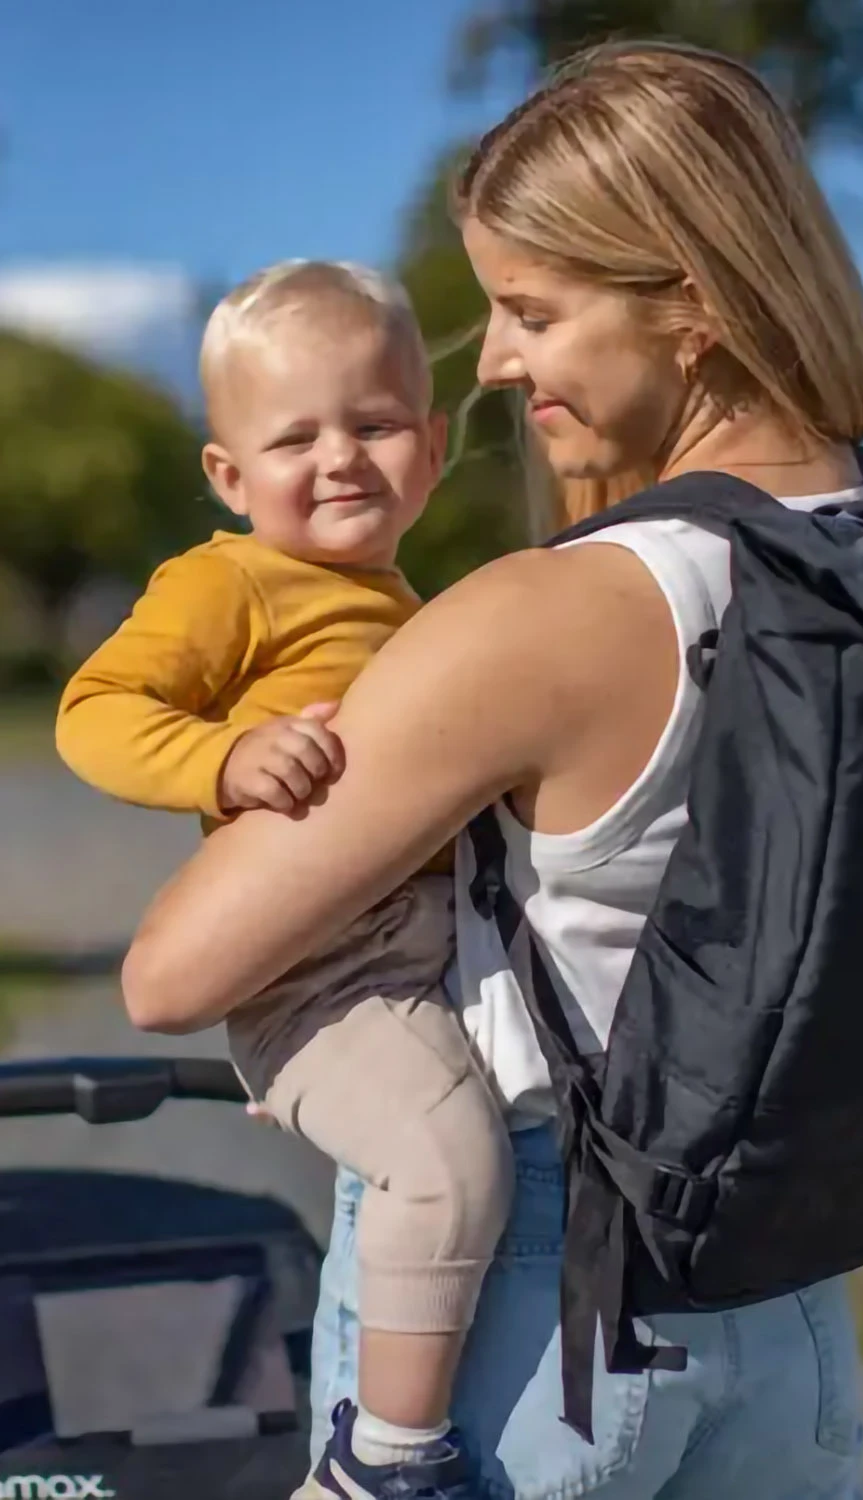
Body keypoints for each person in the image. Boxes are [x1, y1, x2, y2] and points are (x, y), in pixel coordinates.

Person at [115, 40, 863, 1499]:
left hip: (537, 1300)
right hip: (790, 1293)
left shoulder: (548, 614)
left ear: (691, 301)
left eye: (531, 311)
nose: (487, 360)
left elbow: (177, 972)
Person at [54, 261, 514, 1496]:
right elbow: (94, 713)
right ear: (229, 476)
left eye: (371, 426)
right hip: (324, 969)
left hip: (427, 952)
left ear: (427, 447)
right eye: (294, 436)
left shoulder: (405, 603)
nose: (339, 459)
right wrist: (225, 757)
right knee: (447, 1165)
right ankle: (383, 1458)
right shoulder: (231, 582)